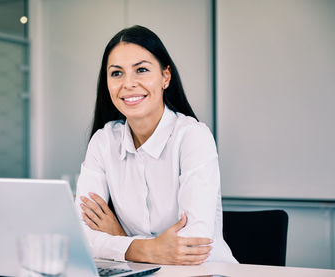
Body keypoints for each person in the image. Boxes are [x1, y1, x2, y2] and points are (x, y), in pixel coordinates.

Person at [74, 25, 237, 265]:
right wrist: (148, 249)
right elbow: (80, 235)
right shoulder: (103, 141)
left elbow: (190, 244)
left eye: (141, 70)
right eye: (116, 73)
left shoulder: (193, 137)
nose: (128, 83)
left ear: (165, 77)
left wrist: (119, 237)